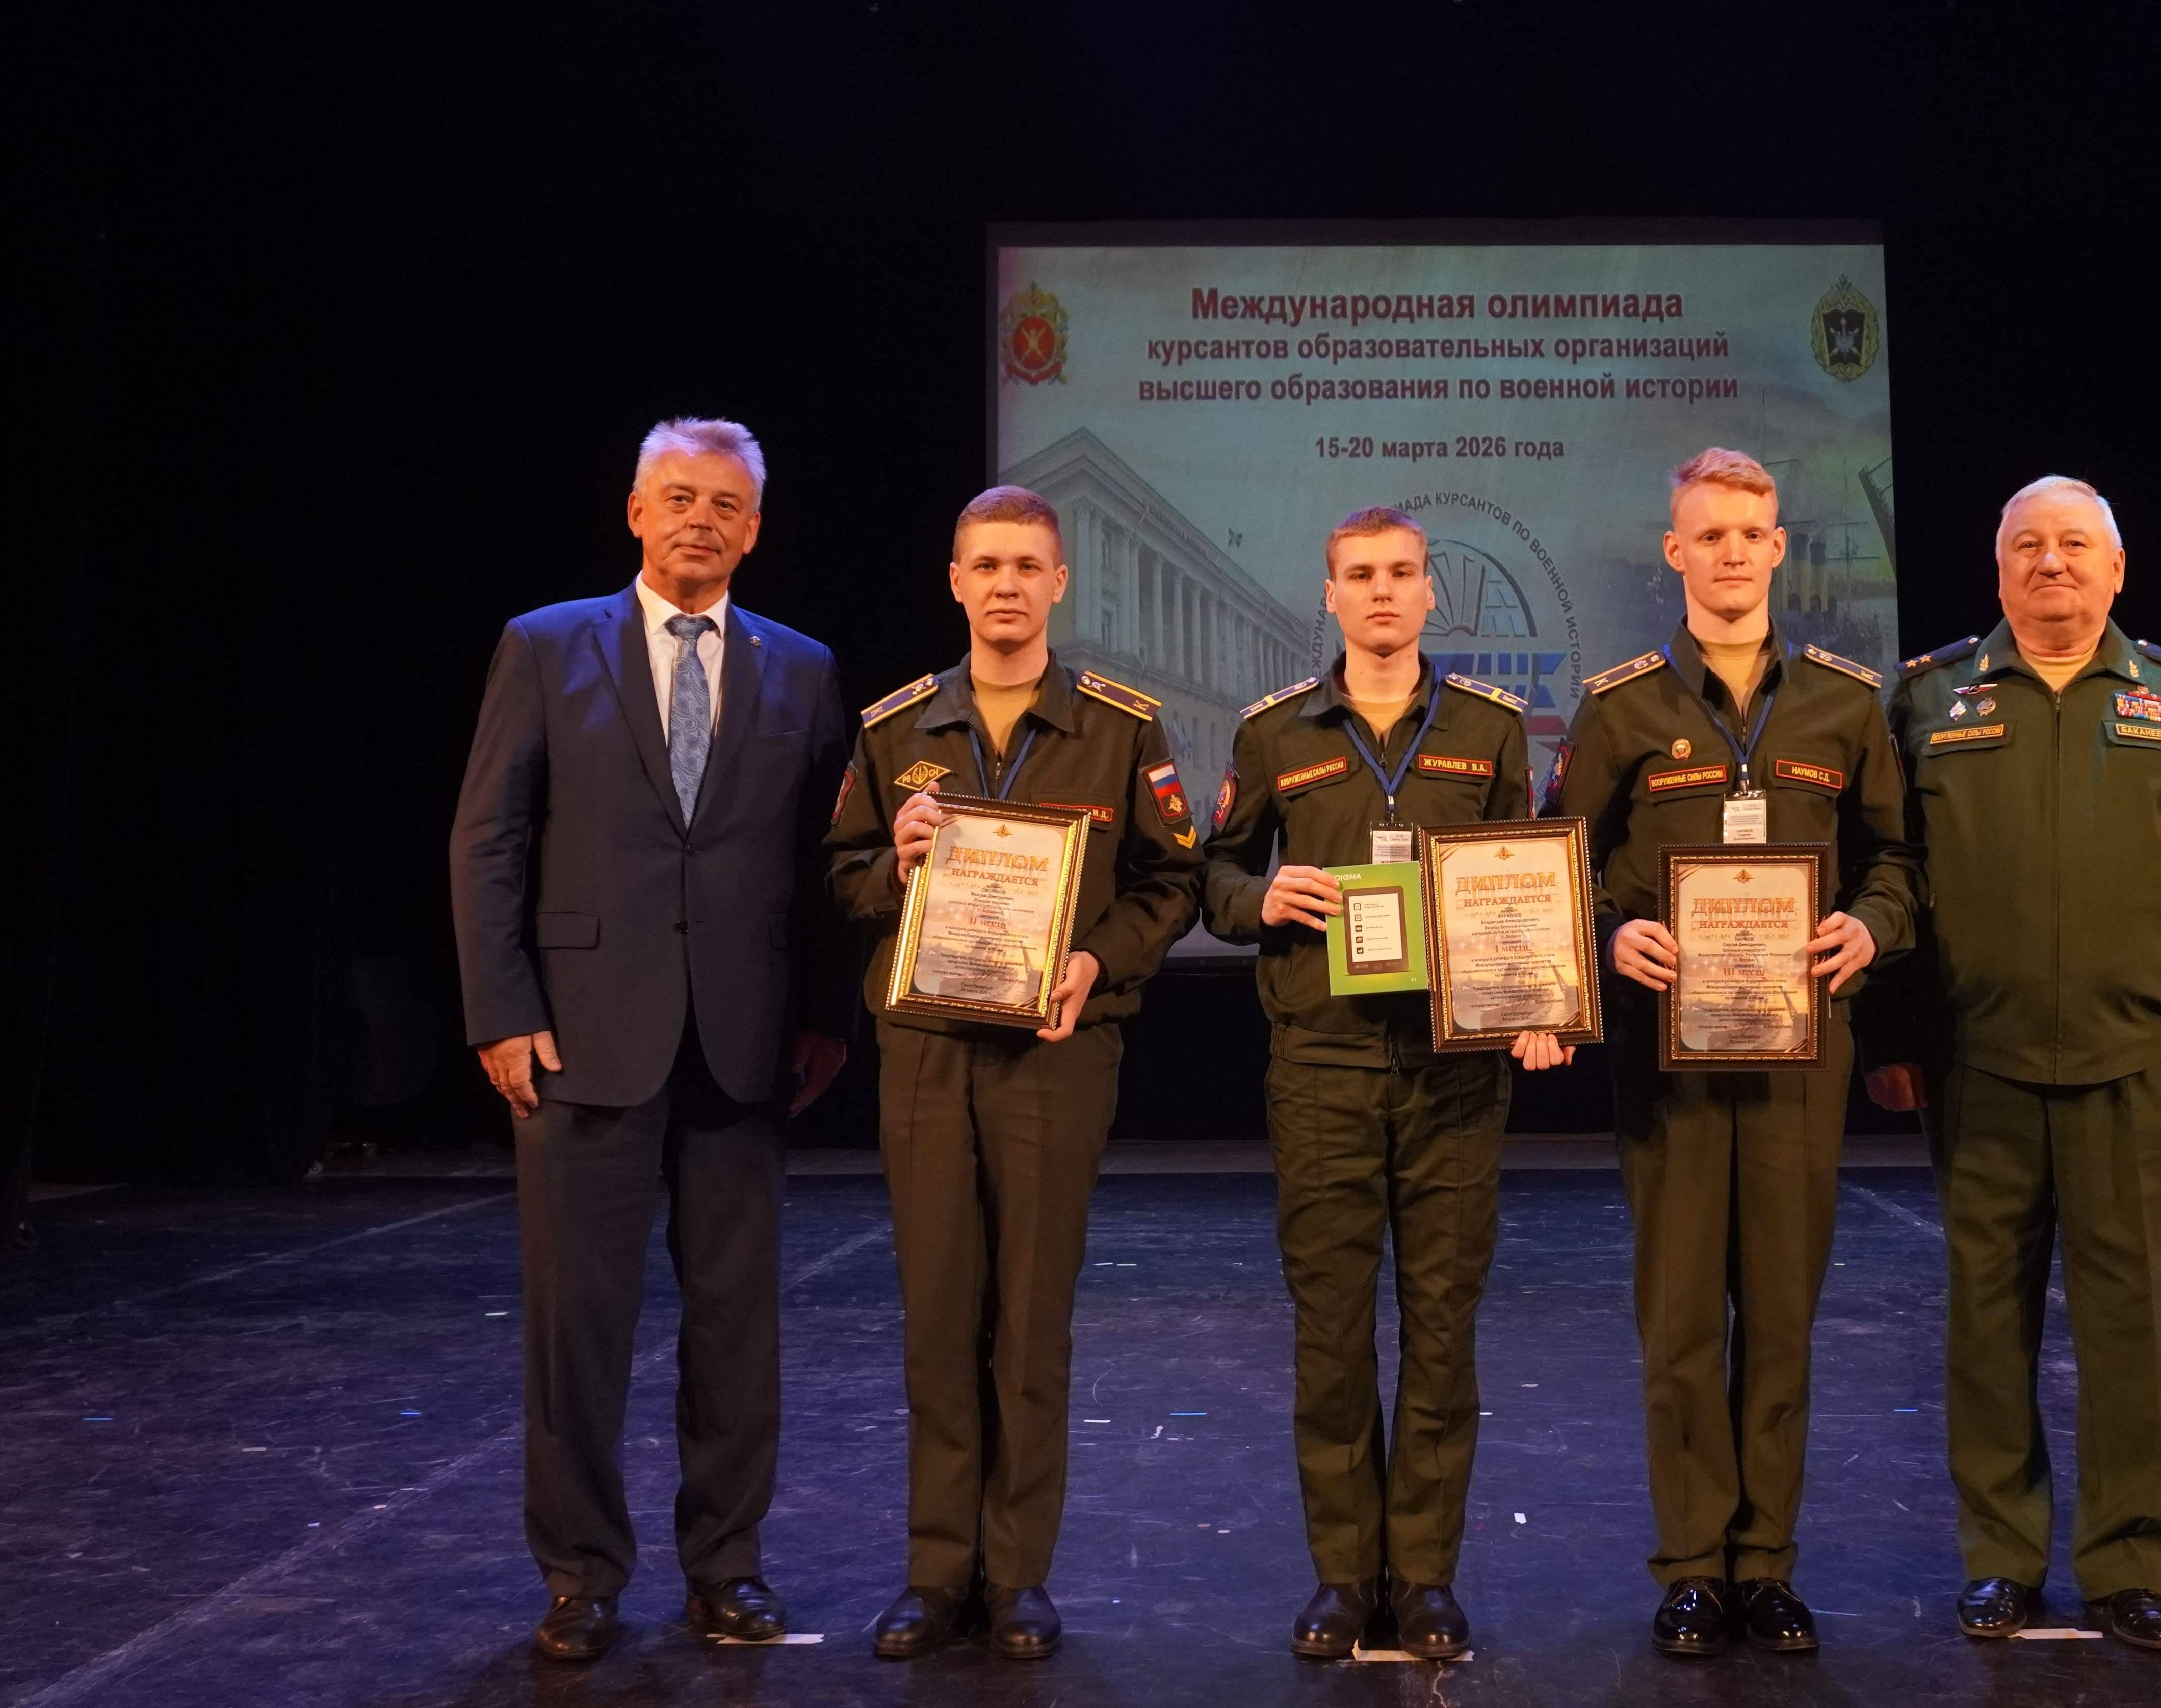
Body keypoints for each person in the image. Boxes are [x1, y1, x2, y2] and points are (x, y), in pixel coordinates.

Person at [449, 417, 850, 1661]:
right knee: (578, 1326)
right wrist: (502, 1007)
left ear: (754, 530)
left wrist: (826, 1013)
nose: (700, 521)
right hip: (580, 1037)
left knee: (736, 1326)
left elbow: (823, 860)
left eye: (725, 504)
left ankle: (727, 1565)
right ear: (635, 511)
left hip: (745, 1041)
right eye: (679, 497)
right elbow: (488, 838)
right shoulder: (544, 644)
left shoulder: (803, 668)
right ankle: (580, 1575)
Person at [1866, 474, 2161, 1653]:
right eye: (2029, 545)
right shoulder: (1929, 697)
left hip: (2132, 1060)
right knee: (1985, 1325)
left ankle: (2130, 1562)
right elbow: (1891, 873)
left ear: (2116, 567)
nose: (2052, 563)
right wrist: (1890, 1037)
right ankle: (2001, 1558)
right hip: (1976, 1064)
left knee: (2125, 1323)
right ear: (1998, 568)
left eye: (2075, 544)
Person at [1543, 448, 1915, 1658]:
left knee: (1787, 1317)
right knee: (1683, 1319)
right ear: (1677, 552)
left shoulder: (1846, 704)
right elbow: (1556, 863)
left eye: (1753, 533)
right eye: (1710, 535)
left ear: (1779, 547)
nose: (1734, 552)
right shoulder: (1621, 707)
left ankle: (1768, 1564)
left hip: (1804, 1056)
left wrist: (1874, 926)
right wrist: (1612, 932)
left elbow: (1896, 861)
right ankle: (1695, 1564)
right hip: (1670, 1060)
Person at [825, 485, 1201, 1661]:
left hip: (1056, 1050)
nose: (1005, 583)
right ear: (956, 580)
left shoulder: (1120, 726)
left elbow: (1172, 881)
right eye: (985, 564)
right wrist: (892, 867)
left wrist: (1098, 958)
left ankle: (1020, 1573)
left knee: (1032, 1319)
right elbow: (841, 875)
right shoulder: (897, 729)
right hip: (927, 1048)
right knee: (939, 1314)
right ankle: (938, 1572)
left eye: (1027, 565)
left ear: (1058, 583)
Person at [1200, 506, 1574, 1661]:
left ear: (1428, 594)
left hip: (1457, 1072)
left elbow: (1530, 879)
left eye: (1401, 573)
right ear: (1330, 595)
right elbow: (1214, 873)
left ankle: (1424, 1578)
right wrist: (1258, 898)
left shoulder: (1490, 728)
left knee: (1444, 1330)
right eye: (1359, 574)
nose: (1380, 591)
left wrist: (1541, 1000)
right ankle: (1342, 1576)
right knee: (1331, 1331)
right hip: (1321, 1064)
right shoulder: (1273, 733)